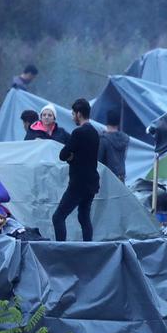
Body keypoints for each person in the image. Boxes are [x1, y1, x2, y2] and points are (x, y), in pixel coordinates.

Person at [52, 99, 100, 242]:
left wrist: (71, 158)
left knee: (58, 217)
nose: (72, 117)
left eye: (73, 114)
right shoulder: (95, 132)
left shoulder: (78, 133)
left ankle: (61, 248)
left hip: (78, 184)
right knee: (83, 216)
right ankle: (89, 248)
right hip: (92, 182)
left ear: (79, 114)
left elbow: (63, 155)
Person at [98, 108, 130, 183]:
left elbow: (99, 162)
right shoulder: (125, 138)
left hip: (108, 179)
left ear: (107, 122)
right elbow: (123, 157)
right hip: (121, 178)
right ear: (118, 122)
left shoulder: (103, 140)